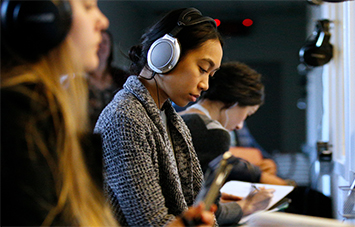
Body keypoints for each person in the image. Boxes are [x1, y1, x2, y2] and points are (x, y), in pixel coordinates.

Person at [0, 1, 215, 226]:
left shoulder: (44, 109)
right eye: (87, 6)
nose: (103, 21)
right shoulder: (19, 116)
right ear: (41, 14)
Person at [95, 7, 273, 226]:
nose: (205, 84)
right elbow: (152, 222)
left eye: (211, 75)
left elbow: (192, 204)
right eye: (202, 68)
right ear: (165, 55)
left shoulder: (172, 120)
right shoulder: (126, 118)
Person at [179, 61, 288, 186]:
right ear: (234, 103)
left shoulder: (179, 119)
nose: (239, 126)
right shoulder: (212, 132)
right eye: (247, 114)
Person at [87, 30, 129, 130]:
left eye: (105, 42)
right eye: (98, 41)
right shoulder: (76, 78)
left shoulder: (122, 77)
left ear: (110, 47)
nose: (101, 45)